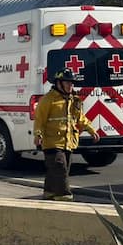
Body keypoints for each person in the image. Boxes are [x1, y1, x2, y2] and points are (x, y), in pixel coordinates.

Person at [33, 68, 100, 201]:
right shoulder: (48, 100)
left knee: (60, 169)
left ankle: (49, 192)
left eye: (72, 83)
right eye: (67, 83)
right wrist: (38, 135)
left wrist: (91, 130)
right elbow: (39, 119)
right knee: (60, 167)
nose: (70, 85)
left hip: (68, 142)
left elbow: (80, 118)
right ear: (59, 83)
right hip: (52, 142)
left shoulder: (74, 100)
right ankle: (64, 195)